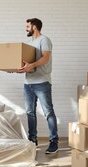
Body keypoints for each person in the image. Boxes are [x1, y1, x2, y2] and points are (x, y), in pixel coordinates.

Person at [18, 18, 59, 154]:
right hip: (28, 83)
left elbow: (45, 58)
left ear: (34, 27)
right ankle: (32, 140)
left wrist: (31, 65)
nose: (26, 28)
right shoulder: (30, 43)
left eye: (27, 26)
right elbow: (28, 64)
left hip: (42, 82)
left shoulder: (44, 40)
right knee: (30, 113)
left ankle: (54, 142)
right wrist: (20, 68)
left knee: (48, 112)